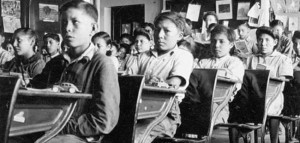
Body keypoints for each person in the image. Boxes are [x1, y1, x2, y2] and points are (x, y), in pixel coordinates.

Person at [31, 1, 120, 142]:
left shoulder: (102, 64)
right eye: (64, 22)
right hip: (48, 128)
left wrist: (59, 125)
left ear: (93, 28)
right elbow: (35, 91)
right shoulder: (55, 62)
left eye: (75, 22)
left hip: (79, 136)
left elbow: (104, 120)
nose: (67, 28)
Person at [126, 11, 194, 143]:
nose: (160, 35)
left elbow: (173, 83)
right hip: (136, 109)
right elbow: (128, 80)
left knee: (135, 137)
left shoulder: (183, 56)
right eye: (157, 30)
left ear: (180, 35)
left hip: (165, 113)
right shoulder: (143, 56)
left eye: (167, 31)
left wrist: (155, 84)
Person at [230, 26, 293, 143]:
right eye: (260, 40)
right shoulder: (251, 59)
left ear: (275, 42)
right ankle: (240, 133)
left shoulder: (282, 59)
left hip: (272, 97)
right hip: (251, 97)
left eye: (267, 40)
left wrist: (266, 77)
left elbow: (284, 80)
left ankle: (245, 131)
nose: (263, 43)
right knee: (235, 108)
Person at [194, 24, 244, 123]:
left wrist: (204, 76)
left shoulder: (234, 62)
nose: (216, 45)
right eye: (213, 41)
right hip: (198, 101)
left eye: (221, 42)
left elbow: (231, 86)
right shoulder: (204, 62)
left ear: (231, 45)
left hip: (218, 105)